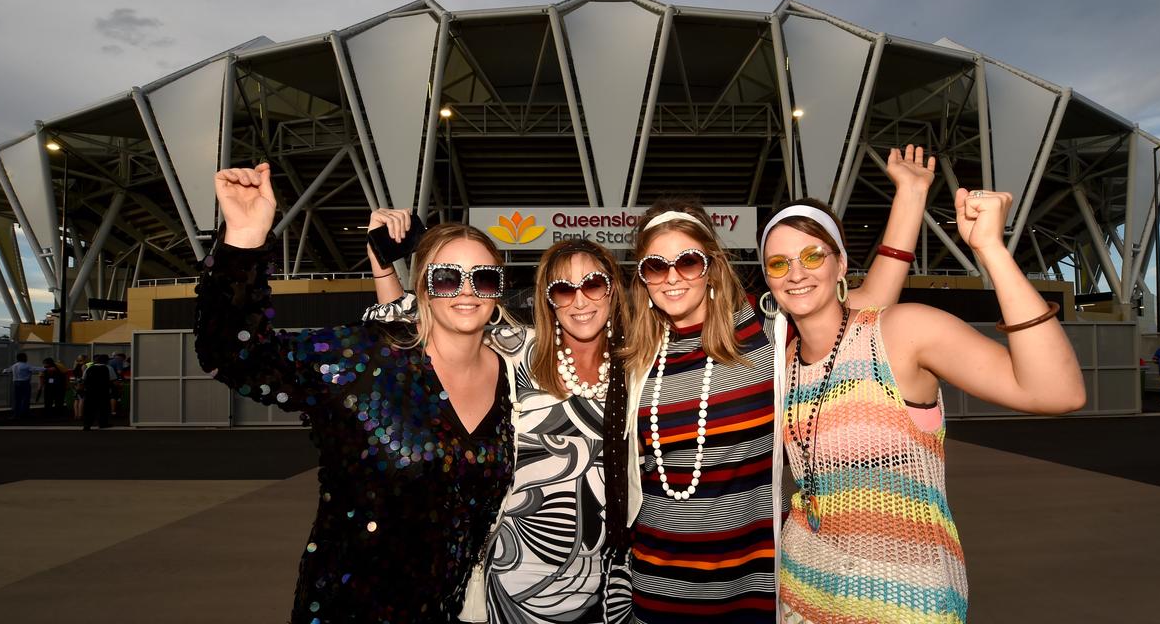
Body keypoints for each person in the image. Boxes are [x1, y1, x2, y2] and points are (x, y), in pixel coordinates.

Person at [619, 147, 933, 624]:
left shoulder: (768, 329)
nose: (672, 278)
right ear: (642, 280)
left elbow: (867, 302)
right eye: (655, 268)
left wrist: (910, 196)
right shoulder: (638, 355)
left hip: (751, 591)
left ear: (712, 265)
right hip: (656, 590)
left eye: (687, 261)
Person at [196, 162, 518, 623]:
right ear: (423, 285)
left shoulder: (515, 379)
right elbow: (231, 354)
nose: (466, 291)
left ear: (498, 292)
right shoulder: (362, 359)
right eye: (447, 277)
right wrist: (246, 236)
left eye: (484, 278)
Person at [762, 189, 1085, 624]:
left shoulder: (900, 332)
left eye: (813, 256)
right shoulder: (782, 365)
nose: (796, 272)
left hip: (908, 600)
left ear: (841, 264)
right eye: (779, 263)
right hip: (801, 595)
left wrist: (991, 249)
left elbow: (1058, 391)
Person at [370, 217, 634, 623]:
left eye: (593, 284)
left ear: (613, 291)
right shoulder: (520, 351)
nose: (580, 301)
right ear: (548, 299)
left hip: (607, 579)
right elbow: (421, 326)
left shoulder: (637, 366)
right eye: (563, 289)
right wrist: (384, 267)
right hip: (514, 574)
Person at [2, 352, 43, 419]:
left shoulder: (14, 365)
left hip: (16, 383)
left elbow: (6, 370)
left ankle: (16, 414)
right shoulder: (26, 365)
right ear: (24, 358)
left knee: (17, 399)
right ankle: (25, 413)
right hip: (25, 383)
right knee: (25, 399)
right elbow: (35, 369)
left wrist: (3, 371)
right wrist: (46, 368)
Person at [81, 353, 115, 430]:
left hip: (90, 391)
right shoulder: (108, 368)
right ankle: (103, 423)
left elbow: (83, 379)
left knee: (89, 408)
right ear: (106, 361)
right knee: (103, 408)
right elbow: (112, 380)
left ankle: (87, 425)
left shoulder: (89, 368)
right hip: (103, 391)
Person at [71, 354, 89, 419]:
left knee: (76, 399)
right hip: (81, 383)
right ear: (84, 359)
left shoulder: (75, 364)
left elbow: (73, 373)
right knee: (82, 399)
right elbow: (84, 376)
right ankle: (80, 414)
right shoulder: (84, 366)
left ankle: (76, 414)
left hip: (75, 382)